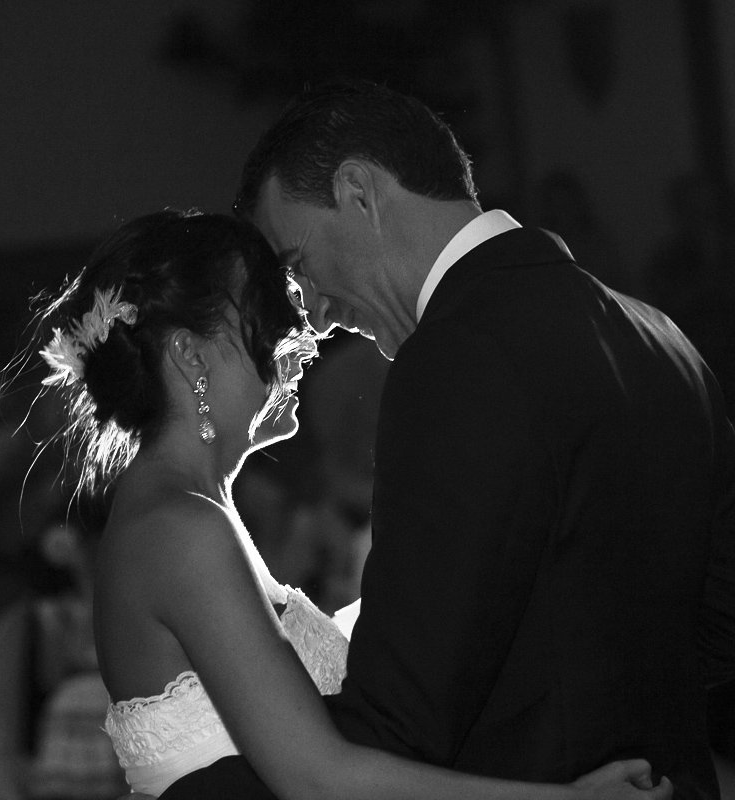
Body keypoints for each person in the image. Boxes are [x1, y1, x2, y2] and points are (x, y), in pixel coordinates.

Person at [17, 208, 671, 800]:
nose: (301, 339)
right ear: (191, 356)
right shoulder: (180, 528)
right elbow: (316, 777)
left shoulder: (187, 511)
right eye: (268, 315)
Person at [230, 78, 735, 799]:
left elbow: (402, 714)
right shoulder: (659, 334)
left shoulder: (455, 357)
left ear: (358, 191)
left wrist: (185, 786)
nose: (310, 308)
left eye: (296, 264)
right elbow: (722, 616)